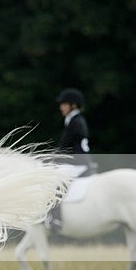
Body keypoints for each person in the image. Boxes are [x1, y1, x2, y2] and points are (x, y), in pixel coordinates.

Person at [46, 87, 96, 232]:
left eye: (64, 104)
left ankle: (55, 218)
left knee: (55, 182)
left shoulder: (75, 121)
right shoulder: (75, 119)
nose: (61, 107)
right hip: (79, 161)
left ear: (73, 105)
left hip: (77, 163)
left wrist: (51, 160)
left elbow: (65, 146)